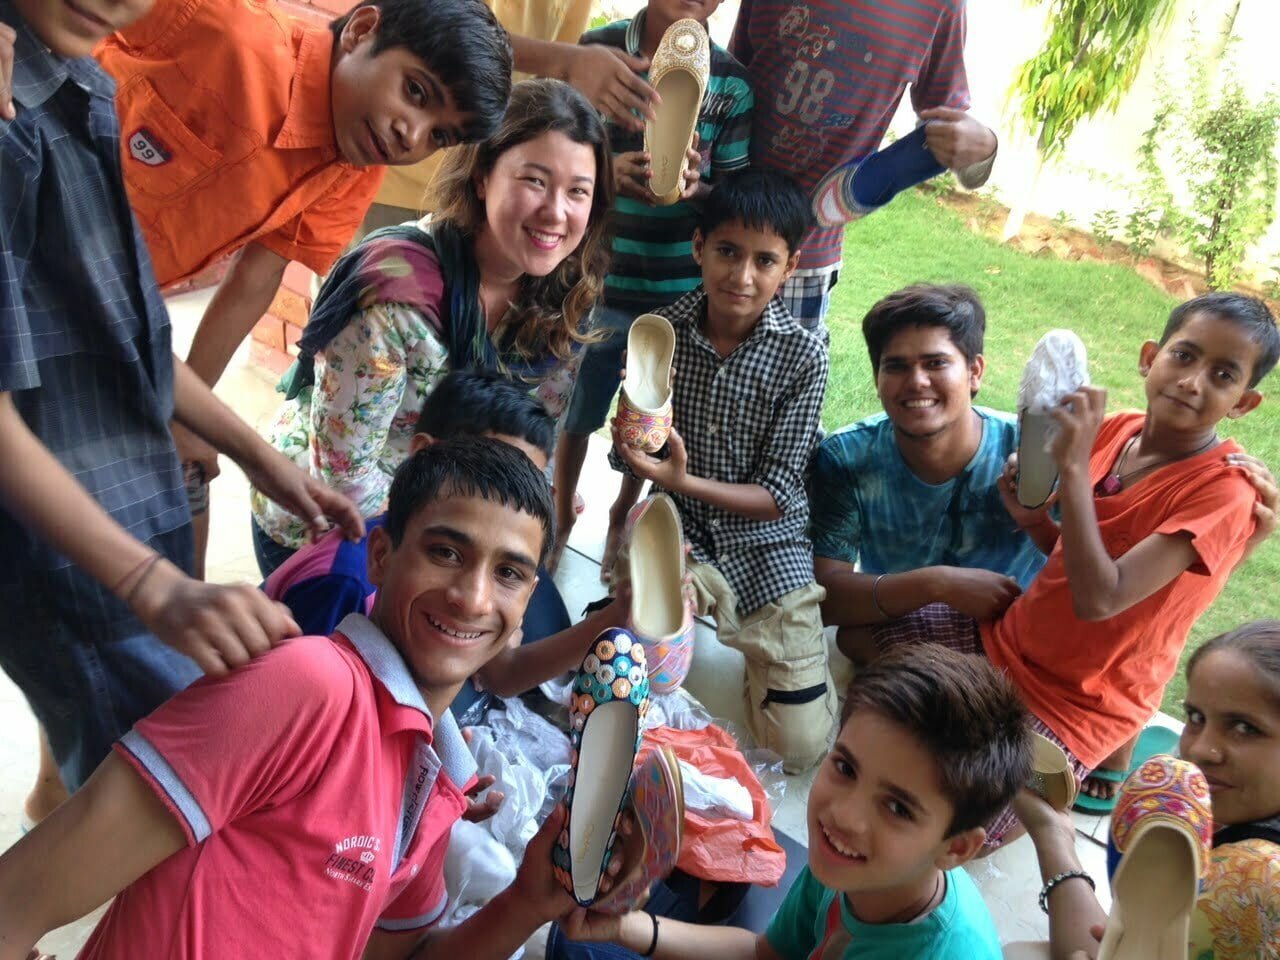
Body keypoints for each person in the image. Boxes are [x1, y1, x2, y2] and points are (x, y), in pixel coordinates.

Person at [0, 439, 598, 960]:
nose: (472, 598)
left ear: (526, 603)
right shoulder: (310, 686)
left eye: (509, 574)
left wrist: (529, 901)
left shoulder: (436, 779)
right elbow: (17, 900)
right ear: (383, 556)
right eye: (446, 553)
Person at [0, 0, 362, 827]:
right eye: (413, 95)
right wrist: (152, 586)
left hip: (121, 487)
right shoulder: (14, 117)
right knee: (131, 789)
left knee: (110, 743)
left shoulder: (84, 89)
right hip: (55, 537)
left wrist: (257, 457)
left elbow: (131, 332)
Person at [92, 0, 513, 578]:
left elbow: (255, 281)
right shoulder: (225, 31)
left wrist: (188, 421)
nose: (409, 135)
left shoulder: (351, 170)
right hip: (36, 245)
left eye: (438, 135)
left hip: (99, 308)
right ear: (363, 30)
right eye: (415, 92)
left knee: (180, 481)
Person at [871, 292, 1280, 847]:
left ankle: (1035, 764)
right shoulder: (1120, 431)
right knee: (860, 639)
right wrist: (1035, 521)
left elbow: (1102, 599)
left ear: (1244, 402)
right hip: (1011, 640)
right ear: (1149, 356)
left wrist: (1072, 468)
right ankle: (982, 729)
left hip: (1080, 698)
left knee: (960, 829)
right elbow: (1076, 558)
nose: (1192, 381)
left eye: (1223, 374)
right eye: (1184, 356)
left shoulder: (1224, 493)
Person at [249, 77, 613, 577]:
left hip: (453, 515)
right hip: (330, 522)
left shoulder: (566, 293)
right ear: (483, 175)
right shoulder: (396, 299)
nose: (556, 212)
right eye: (535, 181)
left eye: (578, 191)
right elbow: (345, 477)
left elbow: (533, 439)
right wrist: (469, 532)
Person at [555, 644, 1029, 959]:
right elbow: (767, 954)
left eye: (898, 808)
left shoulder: (939, 950)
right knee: (577, 945)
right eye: (845, 767)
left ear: (957, 849)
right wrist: (628, 929)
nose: (843, 814)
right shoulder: (852, 871)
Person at [610, 168, 831, 772]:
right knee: (629, 665)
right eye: (728, 252)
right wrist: (633, 446)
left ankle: (774, 663)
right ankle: (662, 620)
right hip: (674, 527)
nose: (742, 276)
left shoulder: (803, 353)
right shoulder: (662, 332)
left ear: (790, 267)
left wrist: (679, 480)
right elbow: (634, 451)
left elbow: (781, 495)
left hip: (767, 544)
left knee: (799, 745)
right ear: (698, 247)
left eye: (765, 260)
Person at [264, 370, 631, 719]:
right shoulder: (345, 583)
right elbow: (299, 712)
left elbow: (502, 674)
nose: (475, 601)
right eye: (490, 473)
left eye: (527, 485)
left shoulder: (480, 581)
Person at [550, 0, 754, 574]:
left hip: (676, 294)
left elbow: (733, 196)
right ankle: (562, 511)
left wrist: (699, 186)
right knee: (576, 411)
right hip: (596, 281)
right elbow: (557, 152)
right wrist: (603, 177)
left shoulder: (732, 85)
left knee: (649, 421)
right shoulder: (594, 52)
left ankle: (621, 513)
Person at [1008, 619, 1280, 960]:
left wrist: (1051, 835)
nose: (1199, 750)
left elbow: (1109, 953)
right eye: (1196, 718)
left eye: (1245, 728)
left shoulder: (1255, 874)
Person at [728, 0, 999, 334]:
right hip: (714, 225)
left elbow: (949, 144)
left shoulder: (940, 6)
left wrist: (985, 147)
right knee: (674, 364)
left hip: (805, 255)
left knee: (782, 378)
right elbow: (728, 76)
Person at [809, 284, 1043, 662]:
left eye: (935, 363)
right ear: (877, 378)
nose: (916, 381)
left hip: (1021, 644)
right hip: (902, 634)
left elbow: (1086, 576)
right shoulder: (848, 457)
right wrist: (938, 584)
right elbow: (825, 599)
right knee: (853, 640)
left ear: (974, 372)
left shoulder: (1027, 452)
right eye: (896, 366)